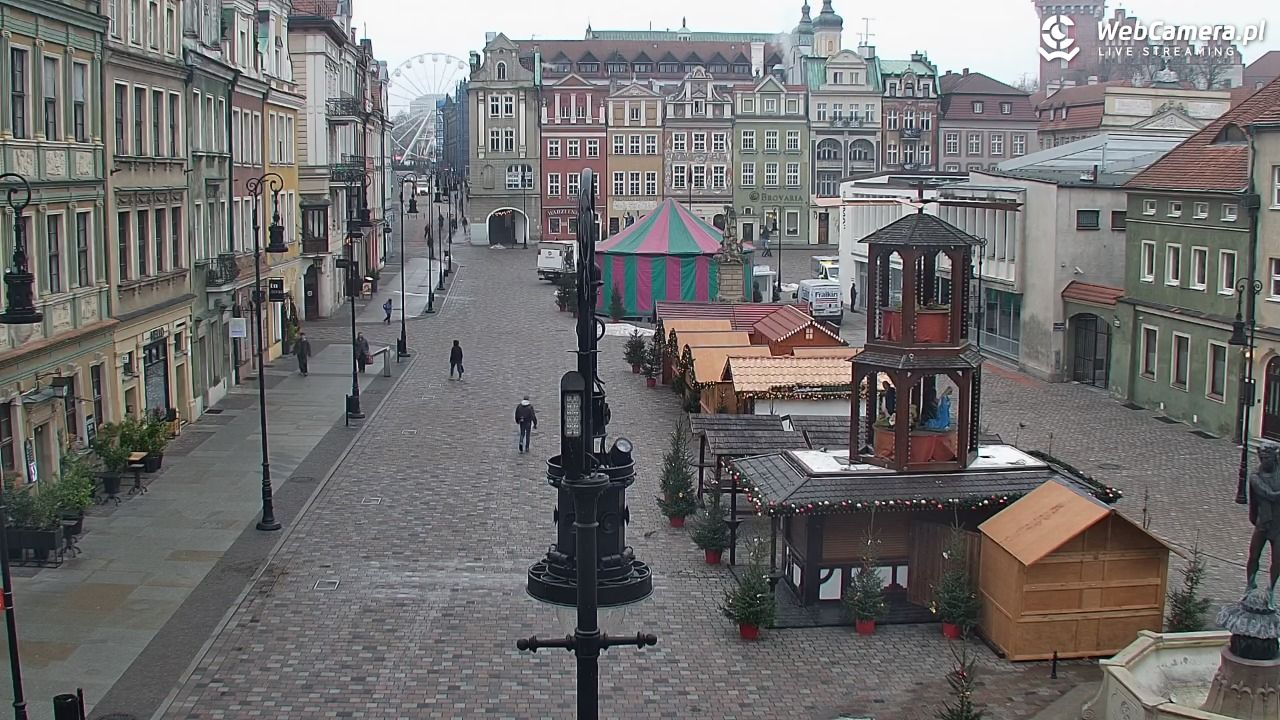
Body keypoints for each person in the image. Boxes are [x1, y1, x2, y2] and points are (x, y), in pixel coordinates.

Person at [1248, 443, 1280, 599]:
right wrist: (1254, 519)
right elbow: (1268, 495)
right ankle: (1250, 585)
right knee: (1253, 555)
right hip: (1263, 522)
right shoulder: (1255, 477)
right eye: (1261, 458)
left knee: (1277, 559)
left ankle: (1271, 590)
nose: (1263, 461)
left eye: (1266, 458)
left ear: (1275, 457)